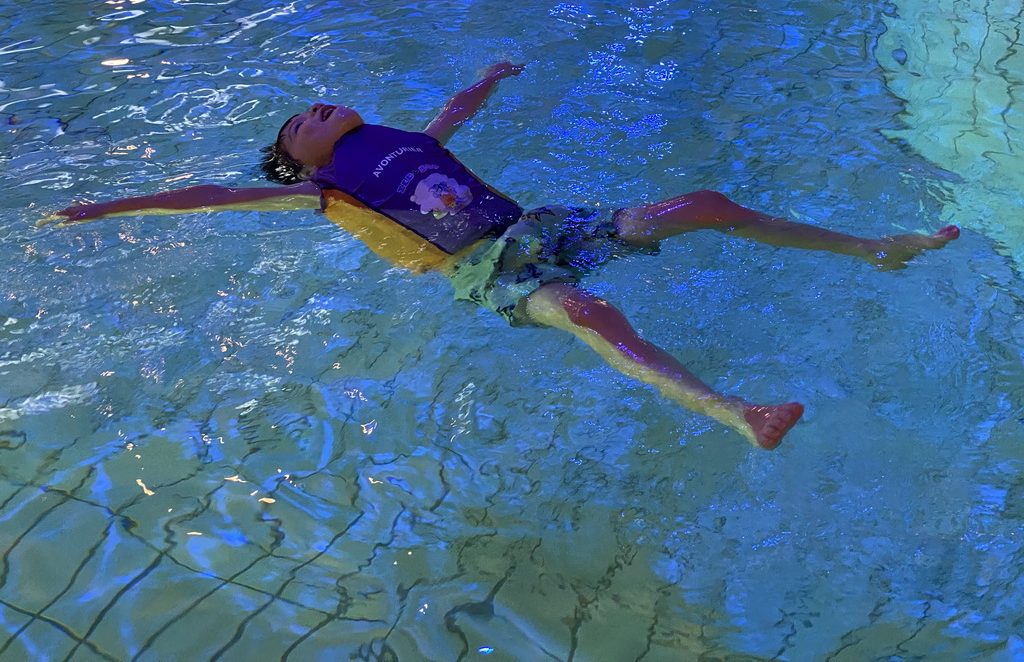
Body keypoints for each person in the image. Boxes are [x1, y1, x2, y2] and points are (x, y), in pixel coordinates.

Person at [42, 62, 960, 449]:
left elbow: (453, 120)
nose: (316, 109)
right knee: (594, 316)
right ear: (300, 158)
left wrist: (481, 82)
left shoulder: (400, 136)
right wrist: (113, 202)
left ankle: (873, 249)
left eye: (318, 103)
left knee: (704, 206)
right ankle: (737, 414)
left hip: (542, 225)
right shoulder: (322, 189)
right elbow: (214, 195)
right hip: (491, 270)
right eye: (300, 121)